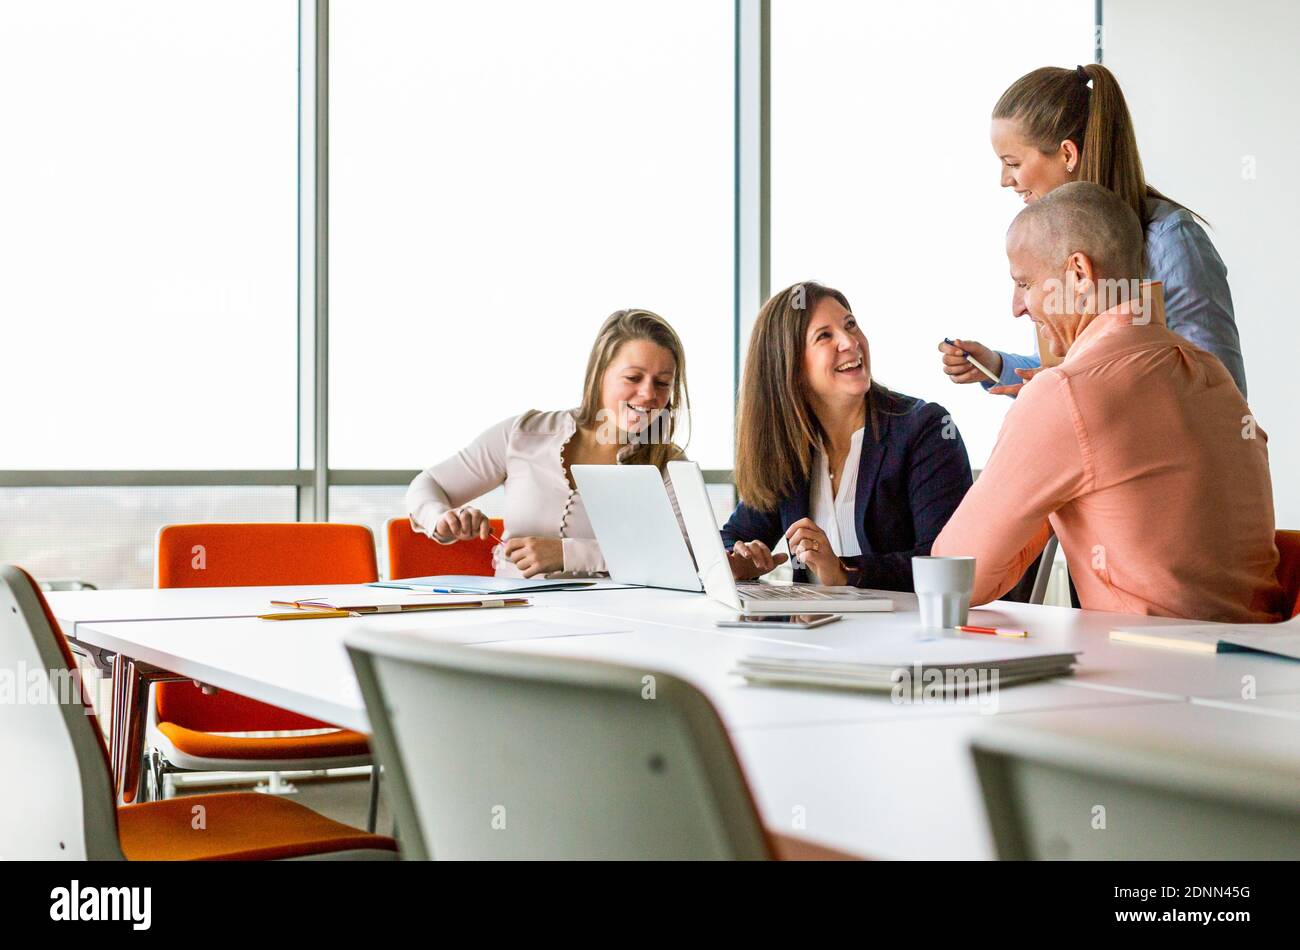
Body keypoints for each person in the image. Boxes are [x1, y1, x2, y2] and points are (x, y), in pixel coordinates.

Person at [932, 182, 1281, 622]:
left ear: (1078, 273)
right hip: (1264, 662)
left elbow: (955, 575)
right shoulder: (1212, 373)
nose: (1018, 306)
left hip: (1154, 676)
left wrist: (1045, 490)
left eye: (1025, 283)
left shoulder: (1066, 393)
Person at [939, 63, 1247, 398]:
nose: (1004, 180)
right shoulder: (1055, 241)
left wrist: (1082, 389)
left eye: (1013, 163)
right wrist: (998, 366)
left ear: (1067, 154)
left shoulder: (1170, 240)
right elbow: (1069, 365)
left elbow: (1221, 387)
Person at [722, 281, 973, 592]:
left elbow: (945, 562)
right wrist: (738, 559)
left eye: (850, 325)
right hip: (816, 632)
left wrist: (844, 570)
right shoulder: (790, 447)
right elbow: (732, 537)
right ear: (790, 366)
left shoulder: (925, 429)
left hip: (906, 631)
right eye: (825, 336)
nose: (850, 342)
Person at [406, 309, 689, 578]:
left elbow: (686, 553)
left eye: (663, 383)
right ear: (599, 373)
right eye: (633, 378)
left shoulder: (668, 463)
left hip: (616, 622)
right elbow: (428, 484)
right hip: (516, 613)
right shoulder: (524, 434)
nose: (648, 394)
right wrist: (442, 519)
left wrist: (570, 554)